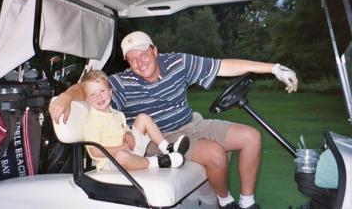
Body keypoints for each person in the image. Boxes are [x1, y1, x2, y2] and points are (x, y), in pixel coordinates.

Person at [50, 31, 298, 209]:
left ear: (155, 51)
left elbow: (223, 65)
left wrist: (273, 68)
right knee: (214, 153)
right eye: (132, 58)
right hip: (159, 138)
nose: (140, 61)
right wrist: (64, 97)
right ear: (127, 61)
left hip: (193, 123)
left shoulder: (177, 62)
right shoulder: (121, 83)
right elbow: (84, 89)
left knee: (251, 137)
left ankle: (247, 203)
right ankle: (225, 202)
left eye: (144, 53)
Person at [81, 70, 190, 170]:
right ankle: (160, 161)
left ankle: (168, 148)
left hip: (130, 149)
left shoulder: (117, 114)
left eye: (102, 91)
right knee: (121, 156)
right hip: (112, 161)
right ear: (86, 99)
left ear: (110, 92)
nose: (99, 97)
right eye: (93, 94)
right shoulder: (92, 120)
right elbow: (95, 151)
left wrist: (128, 133)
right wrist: (121, 148)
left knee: (142, 118)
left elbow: (125, 129)